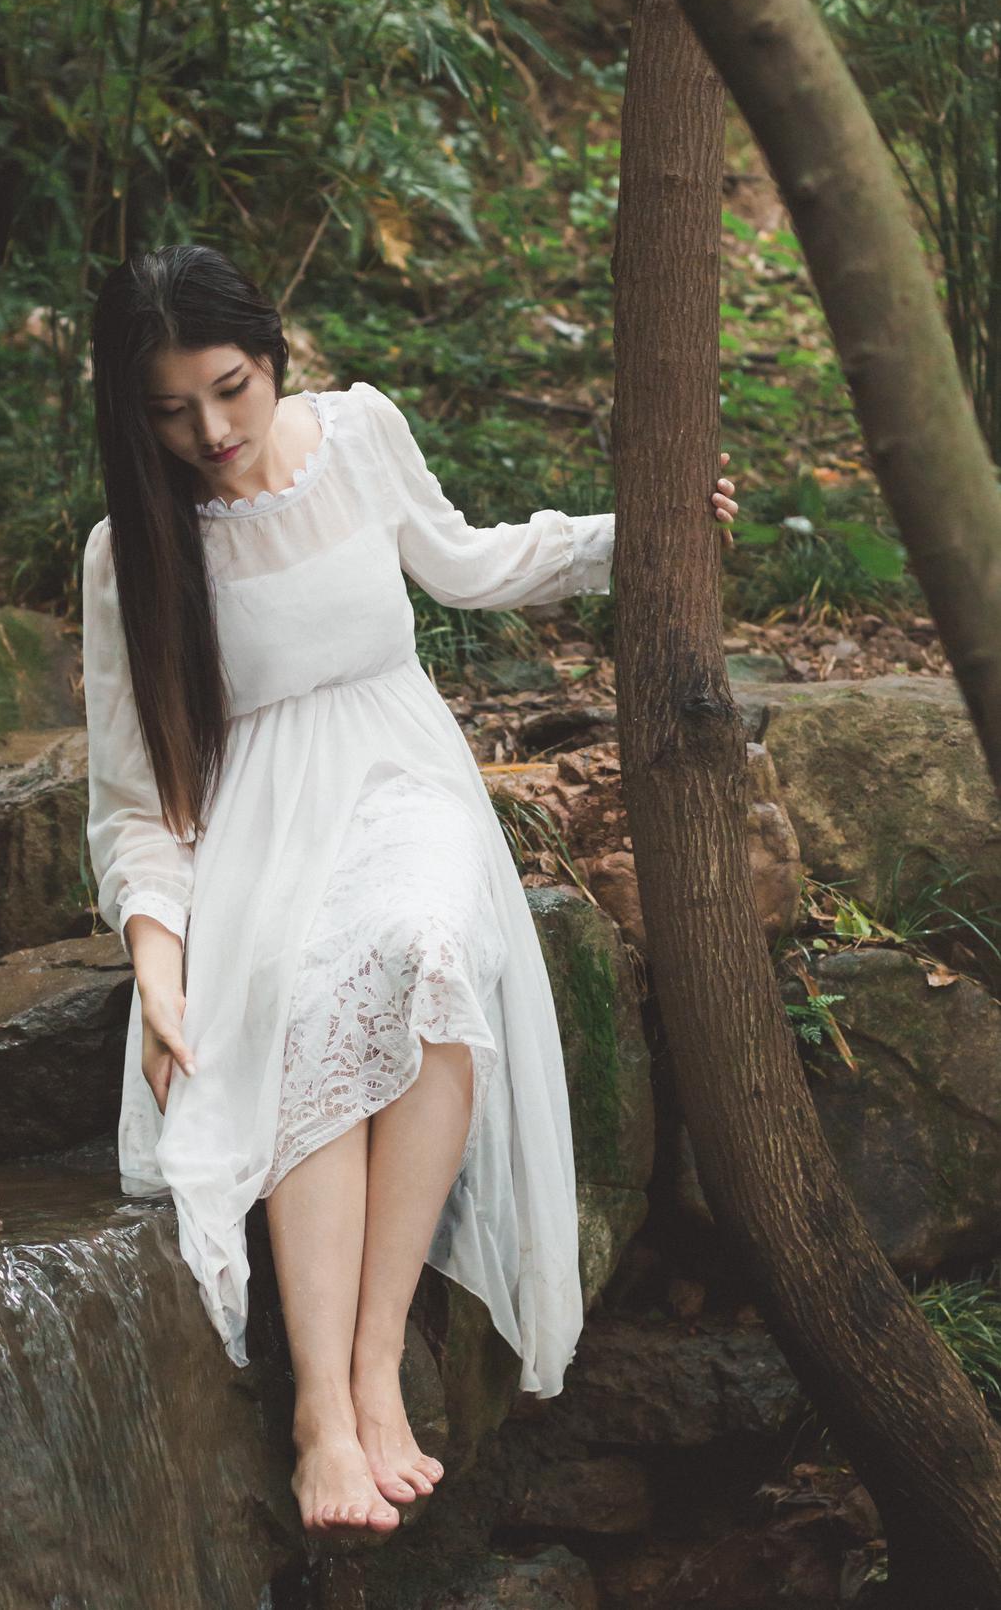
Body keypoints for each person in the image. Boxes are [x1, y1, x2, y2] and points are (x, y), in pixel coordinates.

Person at [81, 244, 740, 1537]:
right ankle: (321, 1412)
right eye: (170, 410)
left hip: (404, 778)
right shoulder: (132, 555)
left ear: (273, 355)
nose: (210, 431)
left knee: (429, 946)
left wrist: (642, 533)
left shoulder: (361, 433)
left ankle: (378, 1364)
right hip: (259, 834)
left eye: (231, 389)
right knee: (308, 997)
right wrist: (160, 967)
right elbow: (137, 802)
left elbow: (469, 563)